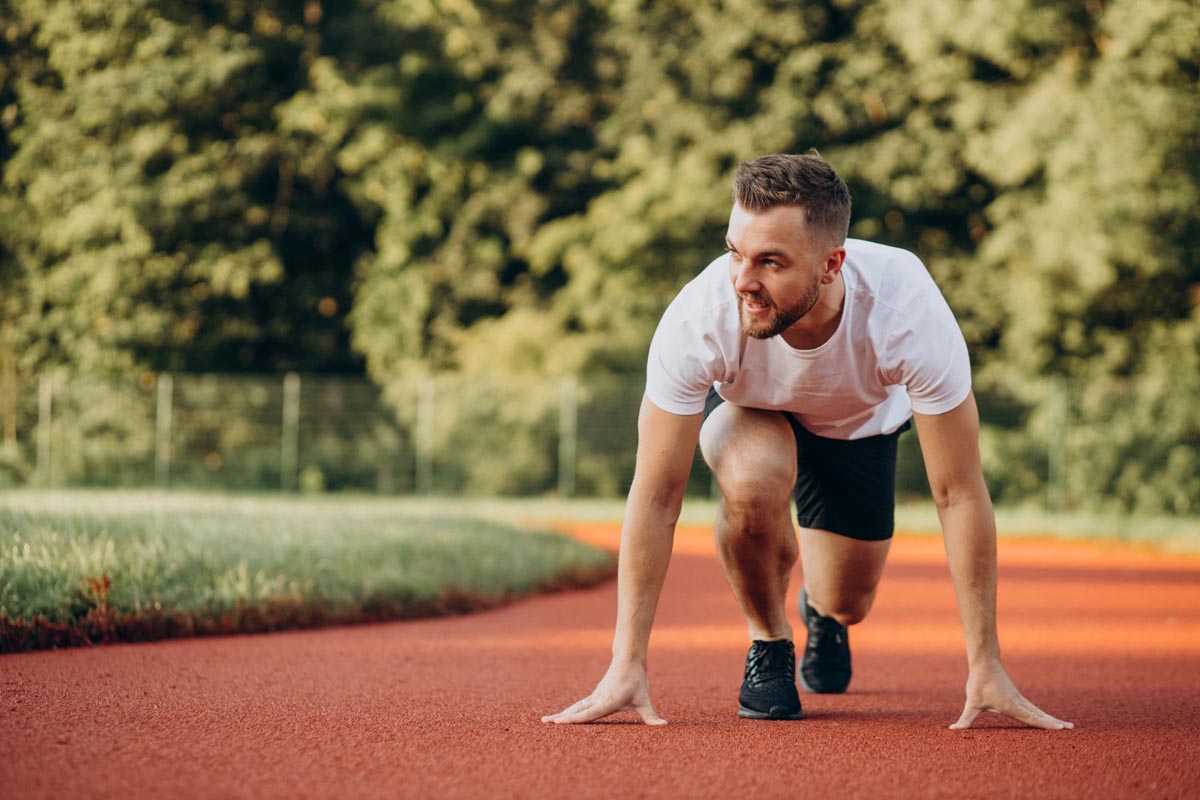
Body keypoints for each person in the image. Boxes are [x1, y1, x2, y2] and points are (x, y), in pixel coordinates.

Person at [541, 153, 1074, 730]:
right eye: (735, 253)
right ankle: (769, 643)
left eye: (770, 262)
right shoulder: (701, 316)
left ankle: (822, 612)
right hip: (757, 416)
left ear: (831, 264)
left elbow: (959, 493)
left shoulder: (906, 310)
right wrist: (626, 662)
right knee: (749, 477)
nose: (744, 280)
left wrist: (985, 662)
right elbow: (655, 496)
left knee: (850, 601)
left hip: (858, 428)